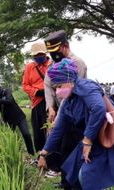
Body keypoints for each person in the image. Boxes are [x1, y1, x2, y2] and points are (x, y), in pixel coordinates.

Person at [37, 59, 114, 190]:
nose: (57, 92)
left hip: (104, 135)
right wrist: (44, 153)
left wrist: (87, 141)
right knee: (75, 173)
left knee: (88, 176)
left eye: (59, 86)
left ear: (69, 80)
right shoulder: (68, 102)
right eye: (55, 88)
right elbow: (58, 130)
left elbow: (98, 109)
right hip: (91, 139)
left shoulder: (86, 87)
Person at [43, 30, 88, 184]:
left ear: (66, 45)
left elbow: (70, 92)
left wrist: (59, 116)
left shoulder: (76, 63)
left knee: (74, 150)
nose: (55, 55)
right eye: (52, 52)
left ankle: (76, 182)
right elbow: (47, 83)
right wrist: (50, 107)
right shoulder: (54, 64)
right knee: (64, 149)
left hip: (75, 115)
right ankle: (65, 181)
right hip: (62, 112)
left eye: (57, 51)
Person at [0, 82, 35, 155]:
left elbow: (9, 101)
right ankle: (17, 152)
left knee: (26, 134)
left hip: (19, 117)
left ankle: (31, 152)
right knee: (12, 137)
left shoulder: (6, 91)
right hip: (9, 120)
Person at [22, 41, 52, 153]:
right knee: (38, 129)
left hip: (51, 101)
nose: (38, 57)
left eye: (40, 54)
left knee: (51, 127)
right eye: (35, 55)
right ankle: (40, 154)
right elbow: (25, 85)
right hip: (37, 102)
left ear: (45, 54)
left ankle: (52, 156)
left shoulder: (51, 65)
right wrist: (36, 92)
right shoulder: (30, 67)